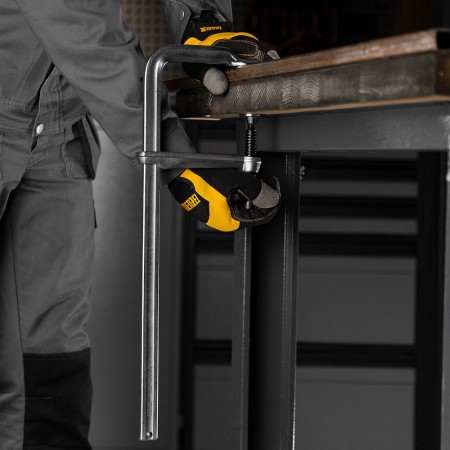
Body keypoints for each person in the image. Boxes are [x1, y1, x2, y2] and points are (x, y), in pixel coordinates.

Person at [0, 1, 279, 448]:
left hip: (58, 125)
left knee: (52, 359)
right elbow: (72, 16)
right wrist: (170, 152)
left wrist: (200, 19)